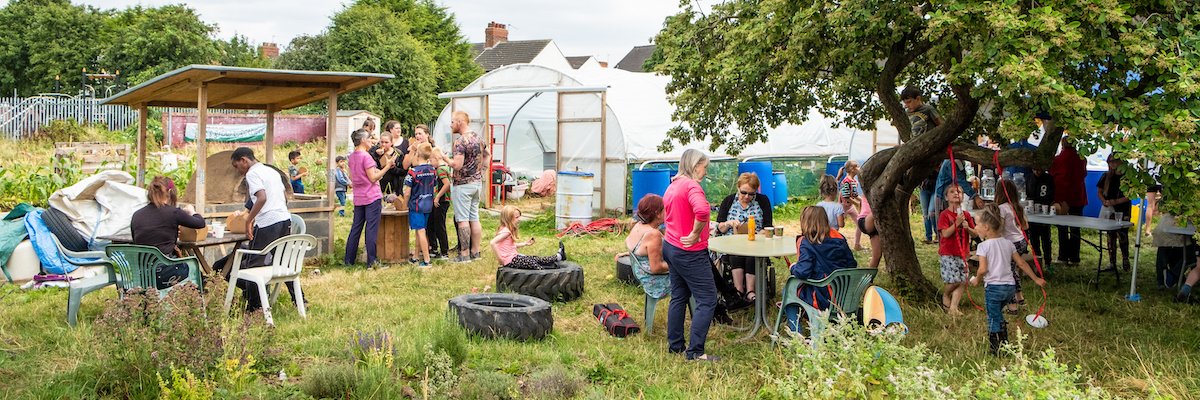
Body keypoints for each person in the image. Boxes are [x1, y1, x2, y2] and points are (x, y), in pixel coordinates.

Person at [214, 147, 296, 311]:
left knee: (253, 267)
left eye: (237, 166)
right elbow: (283, 197)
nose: (238, 171)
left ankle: (255, 308)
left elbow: (262, 197)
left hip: (268, 223)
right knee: (282, 261)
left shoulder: (252, 173)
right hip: (284, 220)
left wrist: (249, 220)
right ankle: (299, 299)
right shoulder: (271, 171)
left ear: (244, 160)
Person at [662, 149, 719, 361]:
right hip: (689, 252)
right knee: (707, 299)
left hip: (671, 246)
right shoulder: (692, 186)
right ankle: (695, 352)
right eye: (705, 167)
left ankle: (675, 345)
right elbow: (703, 211)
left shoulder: (673, 185)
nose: (705, 172)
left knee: (678, 296)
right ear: (695, 166)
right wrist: (695, 233)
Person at [970, 204, 1047, 355]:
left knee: (993, 317)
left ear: (986, 227)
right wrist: (1036, 278)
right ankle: (1004, 342)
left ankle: (997, 348)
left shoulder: (983, 246)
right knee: (998, 313)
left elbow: (983, 269)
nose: (975, 227)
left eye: (977, 224)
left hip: (994, 288)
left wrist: (977, 279)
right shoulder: (1008, 243)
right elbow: (1021, 263)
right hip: (1010, 288)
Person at [784, 206, 857, 332]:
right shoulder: (839, 238)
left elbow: (803, 272)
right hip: (843, 295)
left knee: (788, 289)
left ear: (805, 222)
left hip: (822, 296)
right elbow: (852, 264)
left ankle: (796, 333)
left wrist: (793, 267)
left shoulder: (807, 242)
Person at [130, 176, 206, 289]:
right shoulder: (173, 212)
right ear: (170, 192)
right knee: (195, 269)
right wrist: (192, 212)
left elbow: (136, 240)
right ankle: (195, 301)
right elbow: (200, 223)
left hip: (142, 274)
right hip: (165, 273)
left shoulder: (136, 215)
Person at [714, 172, 773, 309]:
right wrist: (729, 223)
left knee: (752, 256)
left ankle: (750, 292)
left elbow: (768, 226)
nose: (747, 197)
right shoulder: (729, 201)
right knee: (735, 255)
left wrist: (760, 232)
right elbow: (720, 227)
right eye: (744, 192)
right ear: (738, 187)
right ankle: (738, 291)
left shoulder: (763, 201)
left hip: (755, 241)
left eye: (751, 194)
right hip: (732, 242)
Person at [346, 128, 395, 268]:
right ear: (362, 140)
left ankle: (349, 260)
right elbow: (373, 178)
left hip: (359, 196)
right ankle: (372, 261)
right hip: (371, 196)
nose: (372, 142)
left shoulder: (352, 156)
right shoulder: (366, 156)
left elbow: (352, 177)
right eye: (369, 139)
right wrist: (387, 167)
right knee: (371, 229)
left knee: (356, 228)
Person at [448, 111, 488, 263]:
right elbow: (487, 155)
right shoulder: (479, 138)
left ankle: (464, 254)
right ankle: (475, 252)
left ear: (460, 122)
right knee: (474, 217)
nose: (451, 125)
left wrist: (445, 159)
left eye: (452, 122)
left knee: (463, 220)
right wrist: (481, 171)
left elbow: (457, 165)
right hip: (476, 184)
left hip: (463, 184)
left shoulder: (460, 142)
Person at [614, 194, 670, 300]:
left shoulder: (638, 225)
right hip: (656, 281)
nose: (667, 213)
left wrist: (626, 254)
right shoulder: (653, 234)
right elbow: (656, 268)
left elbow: (641, 250)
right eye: (665, 210)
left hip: (641, 274)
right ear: (658, 214)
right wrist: (678, 265)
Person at [937, 184, 976, 316]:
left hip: (963, 253)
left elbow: (975, 233)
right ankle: (946, 294)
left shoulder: (966, 215)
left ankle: (954, 307)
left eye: (959, 191)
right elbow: (946, 234)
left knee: (963, 280)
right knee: (954, 280)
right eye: (952, 192)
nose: (956, 193)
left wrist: (967, 228)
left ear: (963, 196)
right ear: (947, 197)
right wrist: (957, 224)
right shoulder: (944, 215)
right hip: (948, 252)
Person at [490, 206, 566, 269]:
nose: (519, 219)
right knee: (532, 263)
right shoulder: (506, 232)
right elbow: (493, 242)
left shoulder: (505, 229)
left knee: (535, 259)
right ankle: (546, 271)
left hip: (513, 258)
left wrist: (525, 243)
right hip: (510, 260)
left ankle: (558, 257)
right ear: (509, 219)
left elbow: (510, 246)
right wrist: (500, 260)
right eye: (516, 217)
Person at [1050, 135, 1088, 265]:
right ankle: (1075, 257)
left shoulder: (1057, 159)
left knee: (1062, 228)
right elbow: (1084, 174)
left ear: (1062, 144)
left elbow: (1053, 175)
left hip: (1062, 197)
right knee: (1075, 228)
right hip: (1078, 197)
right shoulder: (1082, 159)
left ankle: (1063, 256)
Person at [995, 179, 1030, 314]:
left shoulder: (1002, 208)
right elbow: (1025, 226)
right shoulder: (1016, 206)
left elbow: (1000, 227)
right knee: (1012, 270)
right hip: (1021, 242)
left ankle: (1012, 305)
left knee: (1007, 274)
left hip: (1010, 244)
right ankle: (1019, 297)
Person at [404, 142, 438, 267]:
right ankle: (416, 256)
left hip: (416, 205)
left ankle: (427, 260)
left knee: (420, 231)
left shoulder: (413, 172)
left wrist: (405, 204)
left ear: (417, 154)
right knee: (421, 230)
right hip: (428, 204)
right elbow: (434, 187)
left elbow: (407, 192)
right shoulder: (432, 170)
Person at [1097, 154, 1132, 271]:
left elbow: (1129, 196)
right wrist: (1104, 201)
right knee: (1110, 235)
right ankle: (1112, 262)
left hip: (1122, 208)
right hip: (1109, 208)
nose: (1112, 164)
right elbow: (1100, 192)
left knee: (1122, 234)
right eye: (1110, 162)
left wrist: (1115, 202)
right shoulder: (1106, 176)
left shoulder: (1127, 177)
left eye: (1115, 161)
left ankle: (1125, 259)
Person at [1026, 167, 1054, 265]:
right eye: (1035, 169)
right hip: (1032, 212)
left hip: (1044, 211)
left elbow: (1051, 193)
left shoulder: (1049, 178)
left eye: (1039, 169)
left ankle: (1047, 261)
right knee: (1034, 238)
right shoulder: (1029, 178)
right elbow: (1027, 193)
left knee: (1046, 238)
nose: (1037, 171)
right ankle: (1037, 260)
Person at [370, 127, 405, 196]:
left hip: (394, 187)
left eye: (386, 142)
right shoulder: (375, 151)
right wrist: (376, 154)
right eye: (382, 142)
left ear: (391, 143)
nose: (383, 144)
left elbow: (403, 172)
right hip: (379, 187)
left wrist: (393, 168)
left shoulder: (398, 154)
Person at [838, 160, 864, 251]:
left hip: (850, 206)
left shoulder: (853, 181)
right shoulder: (847, 181)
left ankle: (857, 244)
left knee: (860, 224)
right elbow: (845, 195)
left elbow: (854, 194)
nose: (859, 168)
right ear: (852, 169)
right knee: (836, 225)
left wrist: (861, 200)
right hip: (843, 207)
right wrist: (856, 203)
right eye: (857, 166)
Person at [918, 169, 940, 244]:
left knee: (931, 212)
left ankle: (937, 234)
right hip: (924, 188)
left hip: (935, 188)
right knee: (925, 214)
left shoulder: (936, 162)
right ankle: (928, 237)